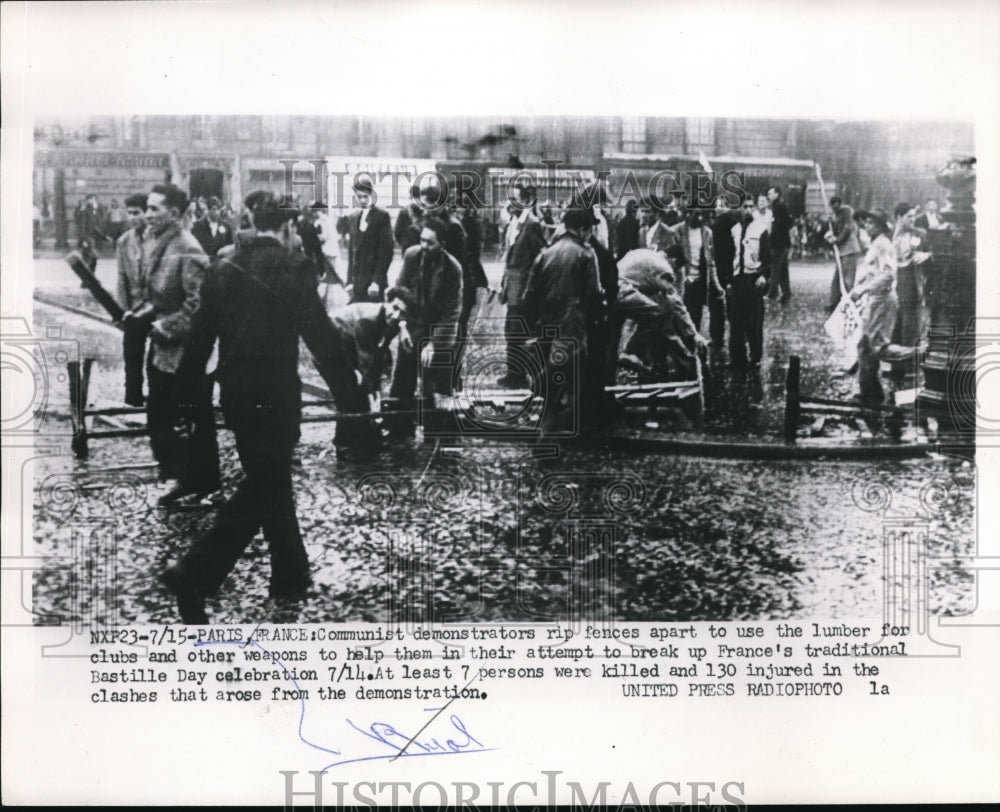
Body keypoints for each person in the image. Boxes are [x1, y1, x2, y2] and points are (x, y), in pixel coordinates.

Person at [160, 191, 374, 624]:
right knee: (263, 485)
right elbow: (321, 340)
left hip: (237, 398)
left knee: (269, 478)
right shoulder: (294, 268)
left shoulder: (221, 270)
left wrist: (181, 401)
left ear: (255, 223)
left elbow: (200, 343)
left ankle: (290, 571)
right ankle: (195, 572)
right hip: (277, 398)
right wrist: (351, 397)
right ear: (288, 228)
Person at [125, 183, 220, 505]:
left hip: (190, 353)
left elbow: (199, 304)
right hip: (164, 350)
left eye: (154, 209)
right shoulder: (158, 243)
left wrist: (167, 325)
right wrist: (141, 316)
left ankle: (205, 484)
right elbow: (157, 295)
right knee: (161, 416)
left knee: (193, 419)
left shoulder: (187, 246)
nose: (148, 215)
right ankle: (185, 477)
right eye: (147, 209)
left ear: (175, 213)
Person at [521, 207, 604, 434]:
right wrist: (598, 319)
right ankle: (547, 436)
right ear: (581, 230)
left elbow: (528, 295)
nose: (590, 234)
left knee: (562, 373)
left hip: (548, 321)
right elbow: (593, 294)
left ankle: (560, 413)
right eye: (589, 230)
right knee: (563, 378)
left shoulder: (545, 253)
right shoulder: (586, 254)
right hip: (572, 325)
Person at [387, 220, 463, 430]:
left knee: (440, 389)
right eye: (422, 240)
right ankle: (398, 430)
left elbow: (451, 313)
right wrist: (402, 326)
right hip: (412, 325)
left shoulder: (452, 269)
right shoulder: (411, 256)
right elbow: (399, 292)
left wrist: (434, 344)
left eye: (430, 243)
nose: (424, 246)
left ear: (442, 244)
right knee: (402, 382)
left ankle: (438, 432)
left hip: (438, 330)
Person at [498, 182, 547, 388]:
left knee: (520, 331)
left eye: (516, 198)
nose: (511, 203)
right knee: (512, 331)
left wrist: (532, 287)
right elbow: (509, 256)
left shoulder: (532, 224)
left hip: (524, 290)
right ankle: (515, 373)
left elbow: (541, 256)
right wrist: (504, 284)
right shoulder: (514, 224)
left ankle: (521, 375)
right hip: (512, 288)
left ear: (526, 200)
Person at [850, 207, 898, 404]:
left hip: (882, 300)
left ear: (879, 226)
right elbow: (873, 271)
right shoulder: (875, 244)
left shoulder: (883, 245)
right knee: (866, 345)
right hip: (875, 299)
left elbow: (888, 274)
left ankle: (871, 393)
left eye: (870, 223)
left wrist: (864, 289)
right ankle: (870, 391)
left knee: (871, 346)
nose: (866, 226)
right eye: (866, 222)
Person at [727, 193, 772, 369]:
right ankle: (737, 357)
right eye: (744, 206)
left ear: (754, 208)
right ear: (739, 208)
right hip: (738, 279)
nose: (747, 210)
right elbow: (729, 256)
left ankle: (755, 357)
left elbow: (767, 257)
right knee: (736, 321)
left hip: (753, 279)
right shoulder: (734, 230)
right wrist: (728, 281)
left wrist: (763, 276)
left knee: (754, 321)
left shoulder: (760, 229)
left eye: (750, 207)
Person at [116, 193, 150, 407]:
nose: (132, 217)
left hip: (157, 308)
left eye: (136, 213)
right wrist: (122, 311)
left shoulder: (159, 239)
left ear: (147, 212)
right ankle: (133, 399)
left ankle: (160, 400)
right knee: (132, 353)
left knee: (160, 359)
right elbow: (121, 279)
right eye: (129, 213)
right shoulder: (124, 241)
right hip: (134, 308)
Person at [346, 177, 394, 303]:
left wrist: (377, 282)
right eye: (359, 196)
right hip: (357, 283)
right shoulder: (353, 218)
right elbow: (352, 253)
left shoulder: (381, 217)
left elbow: (386, 252)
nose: (362, 200)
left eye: (365, 196)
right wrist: (349, 281)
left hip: (373, 285)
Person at [891, 202, 928, 347]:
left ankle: (909, 351)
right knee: (895, 317)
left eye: (914, 216)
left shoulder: (920, 233)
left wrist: (926, 255)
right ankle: (895, 357)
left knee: (910, 316)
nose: (913, 219)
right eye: (909, 216)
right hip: (894, 276)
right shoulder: (890, 235)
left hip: (910, 276)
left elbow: (934, 253)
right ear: (899, 217)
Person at [825, 196, 862, 313]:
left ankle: (849, 303)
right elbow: (836, 230)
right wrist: (830, 224)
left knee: (847, 280)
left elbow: (847, 229)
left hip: (849, 249)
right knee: (837, 278)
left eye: (836, 207)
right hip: (841, 251)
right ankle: (834, 302)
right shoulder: (836, 215)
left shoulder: (847, 211)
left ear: (840, 204)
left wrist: (837, 240)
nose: (834, 210)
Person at [766, 185, 792, 306]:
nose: (769, 196)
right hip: (784, 243)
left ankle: (772, 293)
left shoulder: (778, 207)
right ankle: (786, 294)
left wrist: (770, 240)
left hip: (778, 244)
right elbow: (790, 222)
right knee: (783, 270)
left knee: (776, 269)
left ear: (777, 194)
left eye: (771, 193)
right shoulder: (781, 206)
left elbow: (776, 226)